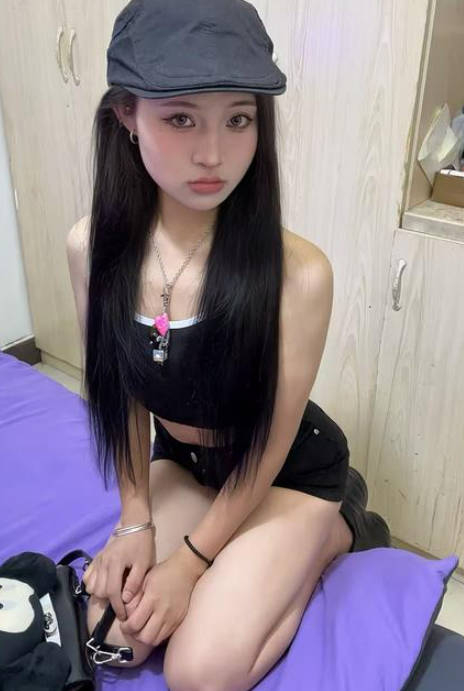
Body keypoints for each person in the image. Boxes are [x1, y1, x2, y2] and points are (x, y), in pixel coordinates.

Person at [66, 0, 391, 687]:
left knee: (200, 672)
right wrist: (134, 521)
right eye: (181, 118)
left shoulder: (299, 273)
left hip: (283, 472)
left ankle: (338, 528)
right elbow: (120, 394)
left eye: (238, 119)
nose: (214, 153)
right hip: (186, 462)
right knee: (115, 631)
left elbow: (269, 443)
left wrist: (190, 563)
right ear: (127, 114)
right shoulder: (92, 248)